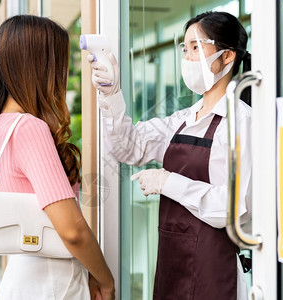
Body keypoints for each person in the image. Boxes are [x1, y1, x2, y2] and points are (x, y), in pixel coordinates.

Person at [89, 11, 252, 300]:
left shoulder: (243, 122)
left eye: (196, 47)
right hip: (171, 266)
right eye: (185, 48)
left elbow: (235, 209)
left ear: (227, 57)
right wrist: (112, 94)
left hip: (215, 271)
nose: (187, 57)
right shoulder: (182, 120)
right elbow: (128, 146)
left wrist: (168, 183)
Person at [0, 15, 114, 300]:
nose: (62, 73)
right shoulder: (29, 128)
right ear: (38, 66)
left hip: (26, 276)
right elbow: (72, 230)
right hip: (51, 282)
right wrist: (106, 281)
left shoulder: (3, 123)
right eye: (59, 63)